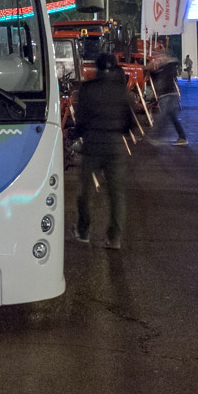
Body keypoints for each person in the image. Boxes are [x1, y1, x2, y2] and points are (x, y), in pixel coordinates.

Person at [72, 53, 136, 250]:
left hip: (92, 146)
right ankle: (114, 237)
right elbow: (130, 123)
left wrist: (77, 135)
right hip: (115, 146)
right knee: (116, 194)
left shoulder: (87, 89)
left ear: (96, 68)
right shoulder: (122, 91)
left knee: (86, 192)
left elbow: (80, 120)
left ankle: (84, 231)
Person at [151, 58, 189, 145]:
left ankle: (157, 136)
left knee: (164, 117)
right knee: (172, 117)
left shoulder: (168, 68)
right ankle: (182, 137)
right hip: (168, 94)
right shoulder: (166, 68)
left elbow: (164, 77)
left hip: (168, 94)